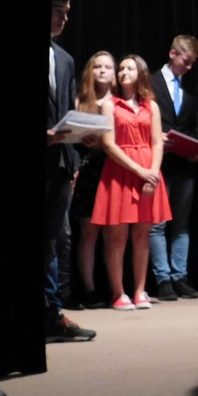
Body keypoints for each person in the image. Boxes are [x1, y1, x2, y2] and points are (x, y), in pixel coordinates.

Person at [92, 55, 172, 310]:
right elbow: (108, 144)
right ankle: (118, 293)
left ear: (141, 74)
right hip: (121, 171)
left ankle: (139, 290)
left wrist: (153, 173)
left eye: (130, 68)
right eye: (122, 68)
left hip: (148, 172)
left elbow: (157, 142)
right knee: (117, 237)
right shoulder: (109, 104)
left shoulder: (151, 106)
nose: (123, 72)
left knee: (142, 235)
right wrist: (139, 170)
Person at [45, 0, 96, 342]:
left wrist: (78, 146)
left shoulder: (64, 58)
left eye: (66, 12)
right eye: (57, 10)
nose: (64, 18)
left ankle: (50, 314)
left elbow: (65, 111)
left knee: (54, 240)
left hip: (60, 165)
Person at [149, 35, 198, 301]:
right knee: (157, 223)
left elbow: (193, 126)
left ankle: (180, 276)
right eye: (186, 61)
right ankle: (163, 279)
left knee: (181, 223)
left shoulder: (190, 88)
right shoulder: (151, 82)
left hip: (183, 164)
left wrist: (195, 149)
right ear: (173, 54)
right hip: (158, 162)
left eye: (193, 63)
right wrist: (155, 136)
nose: (189, 67)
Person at [71, 50, 117, 306]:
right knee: (88, 233)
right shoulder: (80, 100)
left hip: (115, 168)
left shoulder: (120, 101)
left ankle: (115, 288)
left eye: (108, 67)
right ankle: (88, 289)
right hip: (89, 169)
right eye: (97, 66)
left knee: (114, 234)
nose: (102, 71)